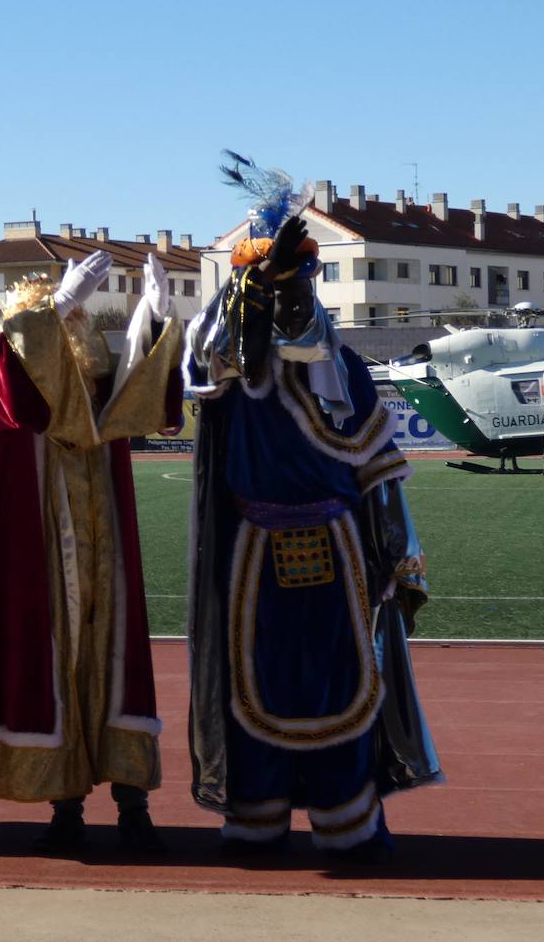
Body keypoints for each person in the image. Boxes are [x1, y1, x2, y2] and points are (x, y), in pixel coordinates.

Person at [183, 155, 441, 861]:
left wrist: (400, 554)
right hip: (258, 553)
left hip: (323, 550)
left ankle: (331, 821)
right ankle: (273, 819)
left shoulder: (336, 368)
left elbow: (378, 472)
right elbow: (379, 473)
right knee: (258, 684)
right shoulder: (225, 369)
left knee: (330, 685)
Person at [0, 249, 185, 853]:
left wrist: (154, 315)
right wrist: (57, 305)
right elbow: (20, 405)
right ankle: (65, 803)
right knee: (53, 650)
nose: (72, 319)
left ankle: (131, 799)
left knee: (109, 647)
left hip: (102, 519)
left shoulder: (86, 351)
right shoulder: (0, 344)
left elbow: (134, 403)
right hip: (40, 524)